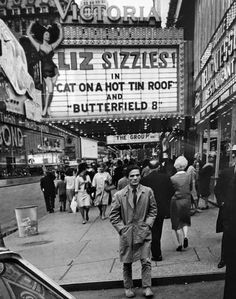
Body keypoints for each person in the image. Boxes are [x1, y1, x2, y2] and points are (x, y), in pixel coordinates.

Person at [109, 165, 157, 298]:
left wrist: (148, 225)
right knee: (127, 261)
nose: (135, 178)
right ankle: (128, 287)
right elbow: (113, 216)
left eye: (137, 175)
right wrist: (122, 229)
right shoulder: (119, 195)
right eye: (132, 176)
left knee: (146, 260)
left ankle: (147, 287)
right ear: (127, 177)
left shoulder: (147, 191)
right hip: (127, 233)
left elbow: (153, 210)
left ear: (140, 176)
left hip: (143, 231)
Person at [26, 20, 63, 117]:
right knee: (50, 91)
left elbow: (60, 38)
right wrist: (31, 24)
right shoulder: (38, 46)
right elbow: (28, 34)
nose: (47, 36)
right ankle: (45, 109)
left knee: (51, 91)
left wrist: (59, 27)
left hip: (54, 70)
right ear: (42, 36)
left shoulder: (51, 46)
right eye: (46, 34)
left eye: (48, 35)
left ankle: (48, 108)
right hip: (45, 72)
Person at [141, 160, 174, 262]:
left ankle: (153, 252)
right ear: (158, 167)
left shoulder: (144, 180)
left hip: (148, 209)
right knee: (158, 230)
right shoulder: (165, 178)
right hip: (161, 208)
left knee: (150, 230)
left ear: (149, 168)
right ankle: (156, 253)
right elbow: (172, 191)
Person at [214, 145, 236, 271]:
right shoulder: (227, 172)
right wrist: (222, 202)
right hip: (228, 211)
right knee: (227, 236)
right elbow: (218, 189)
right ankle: (224, 258)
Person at [170, 156, 191, 251]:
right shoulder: (188, 176)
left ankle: (179, 244)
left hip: (176, 201)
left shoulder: (172, 178)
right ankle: (186, 236)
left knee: (176, 222)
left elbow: (171, 191)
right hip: (186, 200)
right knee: (185, 220)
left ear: (176, 166)